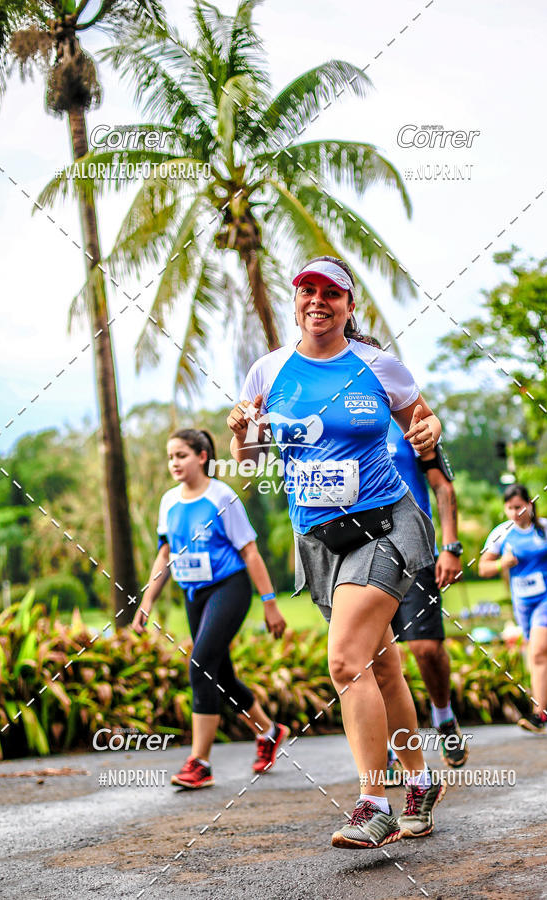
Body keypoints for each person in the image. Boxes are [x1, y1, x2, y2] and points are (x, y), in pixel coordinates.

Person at [228, 256, 446, 849]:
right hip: (320, 540)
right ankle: (419, 784)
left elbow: (423, 426)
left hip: (387, 526)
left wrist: (427, 432)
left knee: (346, 662)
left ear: (349, 307)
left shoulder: (379, 366)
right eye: (308, 291)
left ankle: (373, 803)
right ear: (295, 299)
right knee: (380, 665)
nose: (318, 301)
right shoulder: (267, 372)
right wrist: (240, 432)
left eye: (332, 293)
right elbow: (246, 462)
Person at [132, 428, 289, 788]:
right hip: (194, 594)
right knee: (221, 675)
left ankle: (199, 761)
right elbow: (165, 553)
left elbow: (250, 551)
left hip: (229, 587)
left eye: (181, 455)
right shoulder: (169, 501)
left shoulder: (223, 497)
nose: (174, 462)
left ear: (202, 457)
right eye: (170, 456)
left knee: (200, 663)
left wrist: (269, 604)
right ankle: (268, 731)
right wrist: (147, 600)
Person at [386, 417, 468, 769]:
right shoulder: (337, 421)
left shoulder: (406, 419)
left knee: (425, 648)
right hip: (362, 552)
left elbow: (443, 487)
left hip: (415, 549)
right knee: (376, 658)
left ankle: (444, 716)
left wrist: (450, 547)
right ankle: (390, 745)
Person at [479, 483, 547, 733]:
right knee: (545, 654)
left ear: (530, 505)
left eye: (519, 507)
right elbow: (483, 568)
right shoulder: (501, 533)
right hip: (523, 602)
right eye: (510, 508)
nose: (515, 512)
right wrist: (503, 562)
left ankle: (539, 714)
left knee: (537, 654)